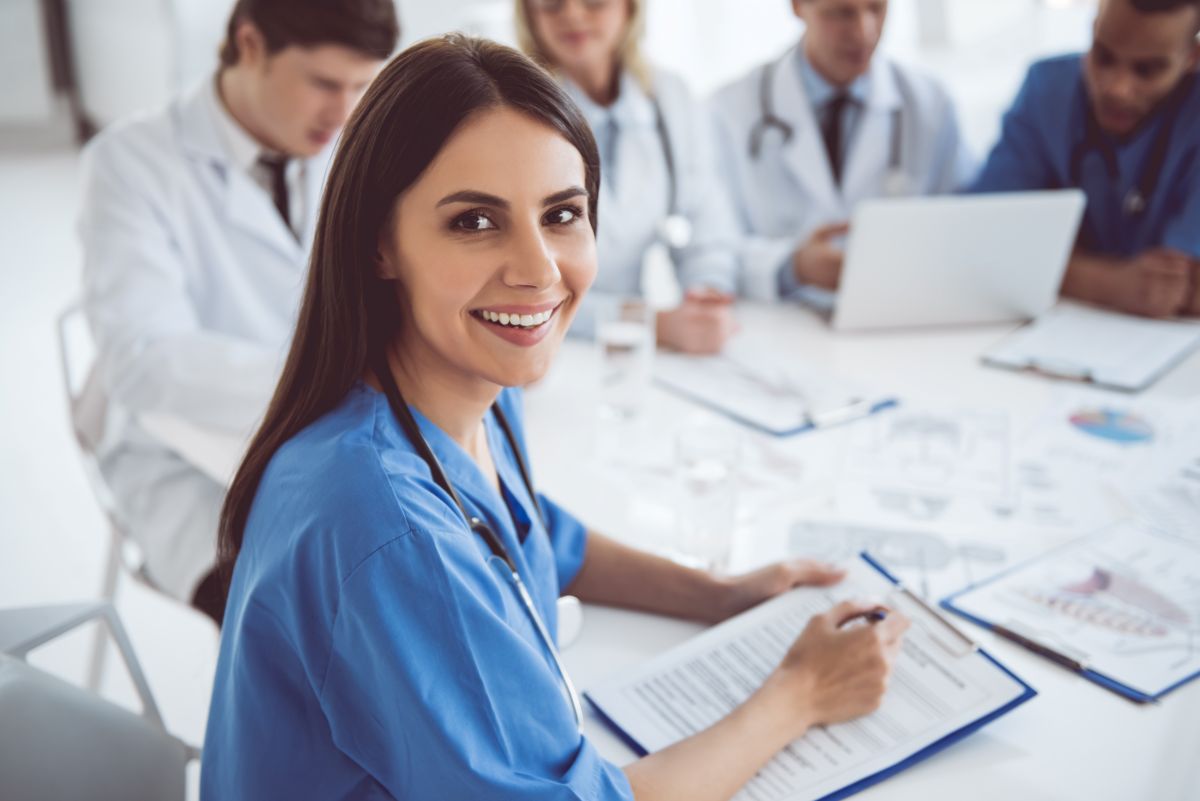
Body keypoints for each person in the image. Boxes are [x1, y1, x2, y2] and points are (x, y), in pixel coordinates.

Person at [201, 35, 909, 800]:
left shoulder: (474, 385)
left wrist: (720, 594)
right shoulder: (384, 523)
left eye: (563, 213)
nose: (538, 270)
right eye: (475, 222)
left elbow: (533, 531)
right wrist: (800, 693)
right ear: (380, 244)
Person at [77, 0, 398, 625]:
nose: (344, 113)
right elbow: (141, 360)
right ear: (249, 44)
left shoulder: (343, 147)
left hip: (334, 442)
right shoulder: (131, 163)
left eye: (362, 86)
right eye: (324, 83)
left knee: (405, 588)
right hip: (183, 465)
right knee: (304, 622)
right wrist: (337, 374)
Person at [709, 0, 974, 306]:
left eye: (876, 9)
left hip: (898, 315)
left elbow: (964, 230)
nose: (864, 32)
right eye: (841, 13)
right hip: (779, 324)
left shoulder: (930, 104)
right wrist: (794, 267)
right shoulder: (728, 110)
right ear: (797, 6)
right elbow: (710, 251)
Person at [516, 0, 740, 354]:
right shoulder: (516, 116)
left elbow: (707, 216)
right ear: (530, 15)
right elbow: (519, 282)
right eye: (552, 4)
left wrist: (705, 289)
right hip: (543, 344)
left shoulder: (669, 96)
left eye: (594, 2)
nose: (572, 15)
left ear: (630, 8)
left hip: (633, 352)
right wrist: (651, 323)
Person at [971, 0, 1200, 319]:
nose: (1117, 88)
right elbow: (978, 238)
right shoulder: (1047, 88)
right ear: (1092, 29)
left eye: (1147, 70)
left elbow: (1181, 287)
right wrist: (1109, 284)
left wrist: (1060, 268)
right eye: (1103, 56)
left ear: (1192, 57)